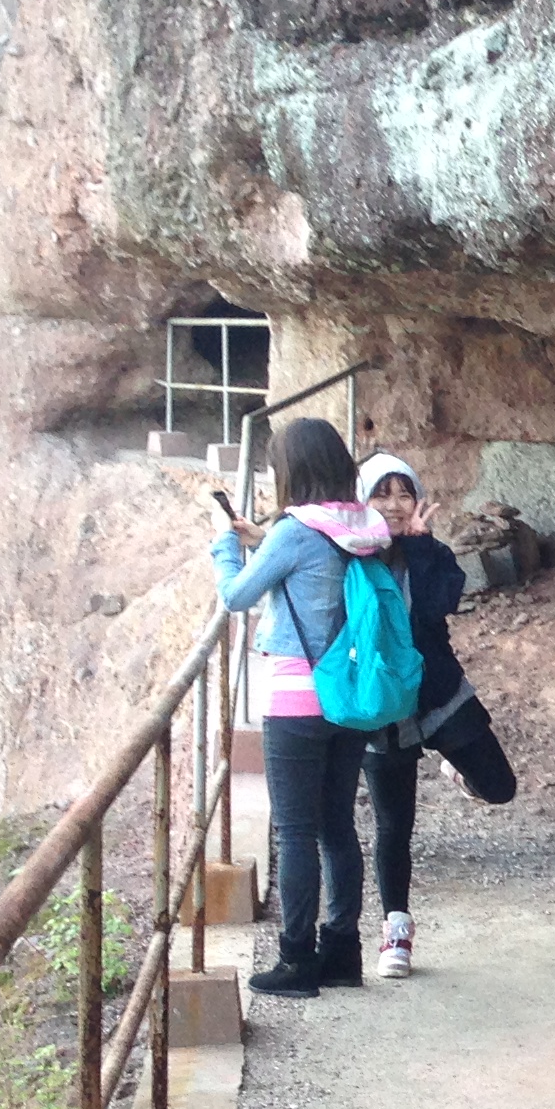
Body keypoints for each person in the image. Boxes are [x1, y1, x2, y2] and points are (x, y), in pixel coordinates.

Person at [211, 418, 387, 997]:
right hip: (349, 698)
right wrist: (260, 537)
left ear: (291, 471)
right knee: (338, 826)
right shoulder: (360, 526)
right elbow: (315, 567)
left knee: (294, 832)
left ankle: (295, 961)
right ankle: (341, 952)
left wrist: (224, 548)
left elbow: (237, 596)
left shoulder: (293, 531)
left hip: (295, 698)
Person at [356, 453, 518, 980]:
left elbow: (438, 606)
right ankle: (395, 933)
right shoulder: (350, 557)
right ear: (362, 500)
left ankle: (454, 768)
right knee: (394, 825)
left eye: (405, 494)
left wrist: (421, 546)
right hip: (381, 709)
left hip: (439, 694)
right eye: (382, 494)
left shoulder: (432, 553)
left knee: (499, 786)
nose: (395, 506)